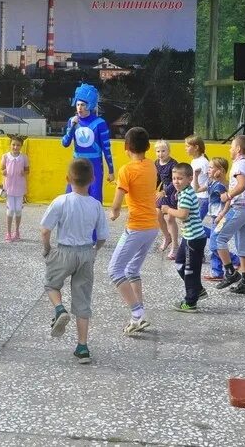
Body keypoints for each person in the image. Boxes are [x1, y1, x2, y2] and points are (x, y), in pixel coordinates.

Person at [40, 158, 109, 364]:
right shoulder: (96, 205)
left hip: (64, 251)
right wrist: (95, 251)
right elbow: (103, 236)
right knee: (82, 300)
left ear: (67, 178)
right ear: (93, 179)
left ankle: (59, 309)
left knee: (51, 284)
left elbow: (45, 230)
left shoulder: (61, 201)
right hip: (86, 253)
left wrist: (47, 250)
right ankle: (82, 347)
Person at [108, 127, 159, 335]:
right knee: (131, 270)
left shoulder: (126, 170)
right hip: (152, 227)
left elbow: (118, 202)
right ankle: (141, 314)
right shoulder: (151, 166)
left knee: (114, 270)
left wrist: (113, 213)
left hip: (137, 227)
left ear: (126, 147)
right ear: (147, 147)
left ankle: (137, 314)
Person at [212, 135, 245, 295]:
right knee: (243, 243)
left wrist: (228, 196)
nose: (230, 149)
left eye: (232, 146)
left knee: (218, 237)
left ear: (238, 149)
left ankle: (230, 272)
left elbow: (242, 185)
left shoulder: (238, 165)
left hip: (239, 208)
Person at [162, 163, 208, 312]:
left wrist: (169, 209)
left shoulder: (187, 194)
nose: (176, 181)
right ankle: (197, 289)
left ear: (189, 179)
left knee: (190, 271)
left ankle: (190, 302)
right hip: (188, 237)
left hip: (194, 239)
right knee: (179, 263)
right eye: (174, 178)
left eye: (180, 178)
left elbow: (183, 215)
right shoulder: (183, 192)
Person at [62, 83, 114, 205]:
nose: (79, 107)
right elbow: (65, 143)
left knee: (95, 199)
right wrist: (72, 127)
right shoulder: (72, 121)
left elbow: (106, 149)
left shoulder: (100, 123)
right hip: (77, 164)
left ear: (89, 105)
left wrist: (111, 171)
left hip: (95, 165)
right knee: (71, 197)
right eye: (78, 104)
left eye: (83, 105)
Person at [204, 157, 239, 281]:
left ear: (221, 170)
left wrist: (221, 214)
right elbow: (197, 189)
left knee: (214, 245)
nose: (208, 170)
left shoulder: (221, 185)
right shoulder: (212, 183)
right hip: (214, 216)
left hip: (220, 217)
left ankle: (235, 259)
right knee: (214, 242)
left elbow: (228, 200)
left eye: (211, 167)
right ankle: (217, 272)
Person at [0, 134, 29, 242]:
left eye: (18, 145)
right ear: (10, 145)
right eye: (13, 145)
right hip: (9, 187)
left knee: (18, 210)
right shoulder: (5, 156)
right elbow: (2, 169)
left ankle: (16, 231)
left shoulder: (24, 157)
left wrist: (24, 172)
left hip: (20, 187)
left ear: (21, 146)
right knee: (10, 210)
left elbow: (28, 170)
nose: (15, 147)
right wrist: (4, 171)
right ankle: (8, 232)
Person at [153, 139, 179, 260]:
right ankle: (167, 236)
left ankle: (175, 246)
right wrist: (152, 190)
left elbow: (175, 182)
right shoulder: (157, 163)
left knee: (170, 219)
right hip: (163, 192)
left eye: (163, 151)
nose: (161, 153)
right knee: (157, 213)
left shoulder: (174, 164)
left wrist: (164, 191)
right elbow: (156, 178)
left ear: (169, 151)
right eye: (158, 151)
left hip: (174, 192)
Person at [184, 134, 210, 234]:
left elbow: (210, 180)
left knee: (193, 225)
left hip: (203, 198)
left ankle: (215, 237)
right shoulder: (195, 161)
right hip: (196, 197)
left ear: (196, 147)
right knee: (192, 225)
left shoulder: (203, 162)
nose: (185, 149)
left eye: (187, 146)